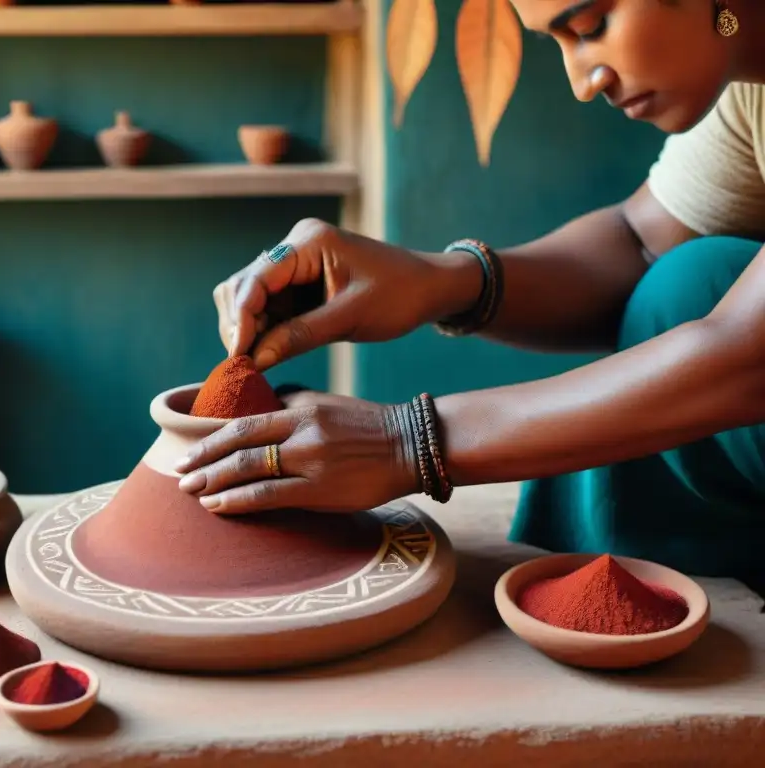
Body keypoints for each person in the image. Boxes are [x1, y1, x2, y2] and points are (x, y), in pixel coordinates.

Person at [174, 0, 765, 583]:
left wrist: (404, 442)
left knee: (696, 283)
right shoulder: (748, 84)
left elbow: (748, 358)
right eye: (554, 41)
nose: (584, 82)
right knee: (688, 278)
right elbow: (642, 243)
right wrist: (437, 281)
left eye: (591, 26)